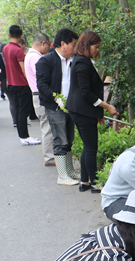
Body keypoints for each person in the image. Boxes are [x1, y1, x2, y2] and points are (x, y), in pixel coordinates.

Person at [66, 30, 119, 193]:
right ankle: (95, 183)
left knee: (87, 146)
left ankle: (85, 181)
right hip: (82, 111)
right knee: (91, 147)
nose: (97, 50)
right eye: (96, 46)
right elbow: (86, 93)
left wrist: (98, 114)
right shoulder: (82, 63)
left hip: (81, 110)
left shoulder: (81, 60)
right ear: (86, 45)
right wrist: (106, 106)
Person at [37, 28, 81, 186]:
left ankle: (70, 171)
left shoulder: (73, 60)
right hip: (55, 106)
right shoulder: (46, 61)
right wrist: (56, 98)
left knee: (69, 139)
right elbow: (41, 84)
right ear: (63, 44)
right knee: (60, 139)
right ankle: (62, 175)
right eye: (73, 44)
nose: (75, 48)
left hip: (71, 106)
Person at [3, 25, 40, 145]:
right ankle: (25, 137)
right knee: (24, 111)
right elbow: (23, 69)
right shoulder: (18, 50)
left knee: (18, 110)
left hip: (11, 83)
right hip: (22, 84)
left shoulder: (5, 48)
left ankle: (22, 136)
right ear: (21, 36)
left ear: (9, 35)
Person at [25, 33, 54, 166]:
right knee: (47, 126)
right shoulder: (35, 58)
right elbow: (42, 77)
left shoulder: (29, 55)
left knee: (46, 125)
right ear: (43, 43)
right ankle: (50, 157)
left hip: (37, 94)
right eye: (48, 44)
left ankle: (50, 156)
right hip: (40, 95)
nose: (49, 48)